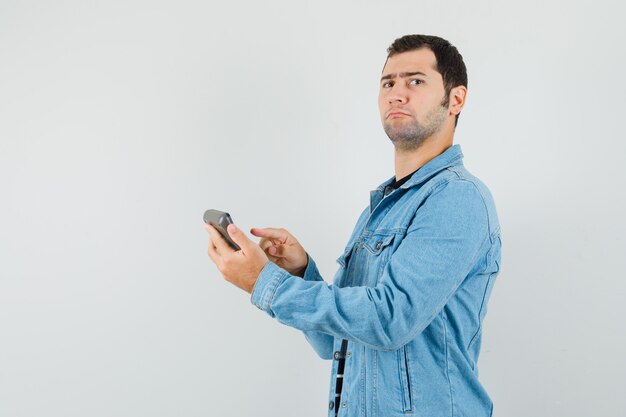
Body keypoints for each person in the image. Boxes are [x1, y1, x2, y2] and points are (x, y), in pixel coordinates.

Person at [205, 34, 502, 417]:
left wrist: (262, 282)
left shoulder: (457, 199)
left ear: (455, 99)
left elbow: (389, 320)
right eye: (388, 83)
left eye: (415, 81)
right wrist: (300, 272)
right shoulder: (380, 208)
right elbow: (335, 342)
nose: (397, 94)